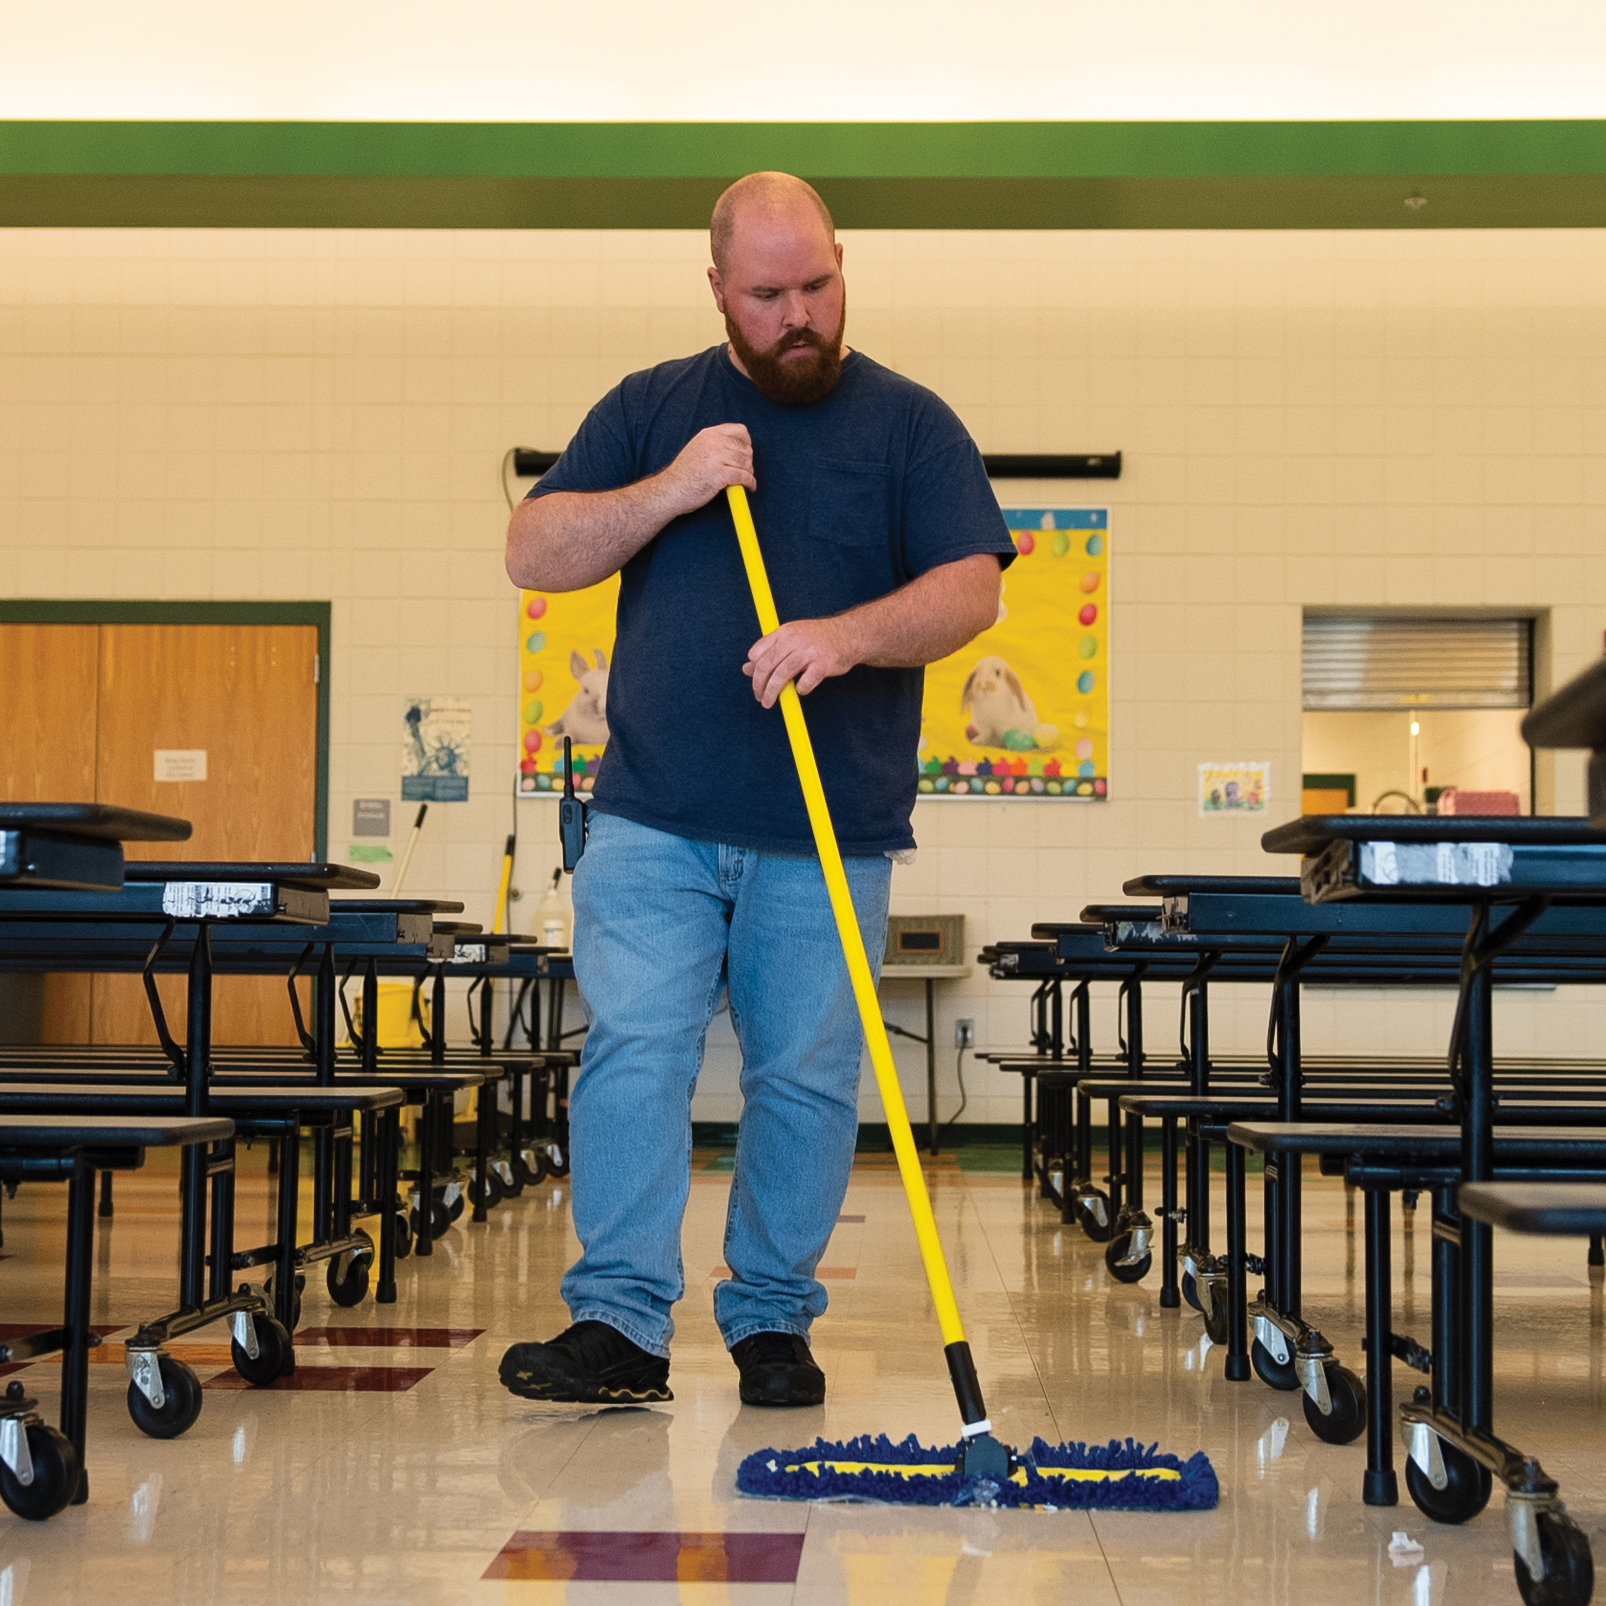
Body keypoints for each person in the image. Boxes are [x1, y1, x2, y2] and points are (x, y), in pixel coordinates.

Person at [499, 171, 1014, 1409]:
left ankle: (771, 1320)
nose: (801, 316)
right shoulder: (653, 408)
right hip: (650, 818)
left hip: (826, 828)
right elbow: (534, 548)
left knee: (804, 1075)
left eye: (820, 286)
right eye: (770, 294)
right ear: (718, 289)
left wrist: (843, 635)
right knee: (634, 1054)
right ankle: (618, 1322)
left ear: (846, 264)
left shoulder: (909, 425)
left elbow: (971, 590)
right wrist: (673, 486)